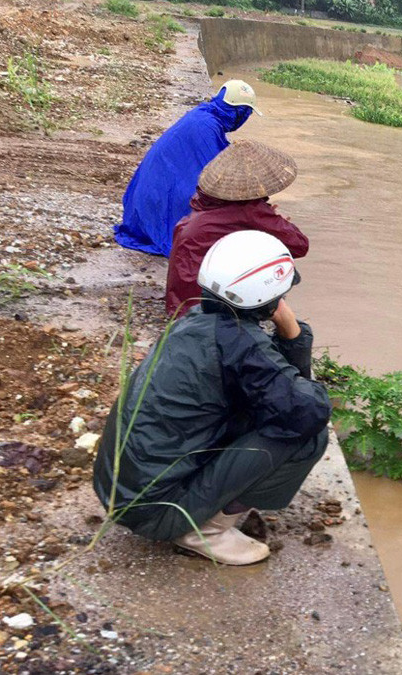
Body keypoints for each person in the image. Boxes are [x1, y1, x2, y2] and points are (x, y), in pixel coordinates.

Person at [92, 230, 330, 565]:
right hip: (155, 510)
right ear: (270, 297)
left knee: (271, 409)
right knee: (309, 435)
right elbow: (307, 412)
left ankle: (201, 510)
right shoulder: (239, 342)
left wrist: (291, 337)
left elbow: (274, 387)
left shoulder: (196, 321)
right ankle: (205, 530)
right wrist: (293, 332)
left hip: (123, 493)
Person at [114, 80, 261, 257]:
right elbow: (215, 177)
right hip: (154, 207)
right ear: (240, 112)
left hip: (143, 204)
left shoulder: (202, 115)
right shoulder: (207, 127)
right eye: (248, 114)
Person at [165, 141, 308, 318]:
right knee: (286, 268)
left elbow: (229, 223)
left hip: (179, 301)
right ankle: (277, 317)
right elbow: (300, 245)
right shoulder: (250, 209)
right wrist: (276, 220)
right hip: (204, 308)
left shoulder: (204, 202)